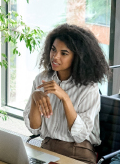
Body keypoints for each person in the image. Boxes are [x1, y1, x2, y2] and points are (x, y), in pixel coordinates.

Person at [23, 24, 110, 164]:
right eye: (53, 49)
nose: (55, 57)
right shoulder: (41, 79)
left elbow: (80, 135)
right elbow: (34, 129)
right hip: (48, 148)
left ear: (78, 57)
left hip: (78, 153)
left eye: (64, 53)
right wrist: (35, 99)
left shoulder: (89, 88)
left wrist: (64, 97)